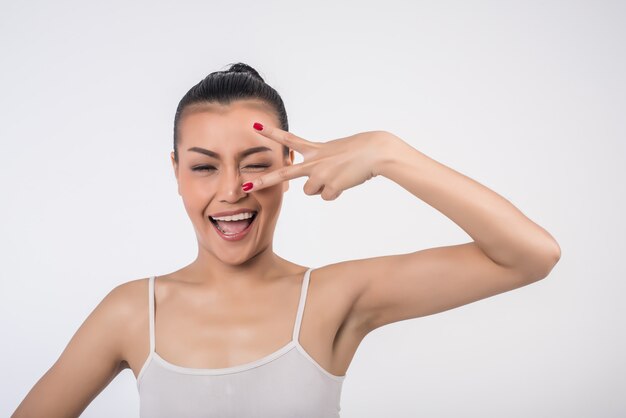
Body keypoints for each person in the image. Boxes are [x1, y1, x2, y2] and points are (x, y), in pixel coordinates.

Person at [12, 63, 561, 418]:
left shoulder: (332, 298)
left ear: (290, 166)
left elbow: (531, 255)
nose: (231, 191)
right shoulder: (134, 311)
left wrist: (388, 153)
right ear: (175, 171)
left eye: (255, 165)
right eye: (204, 167)